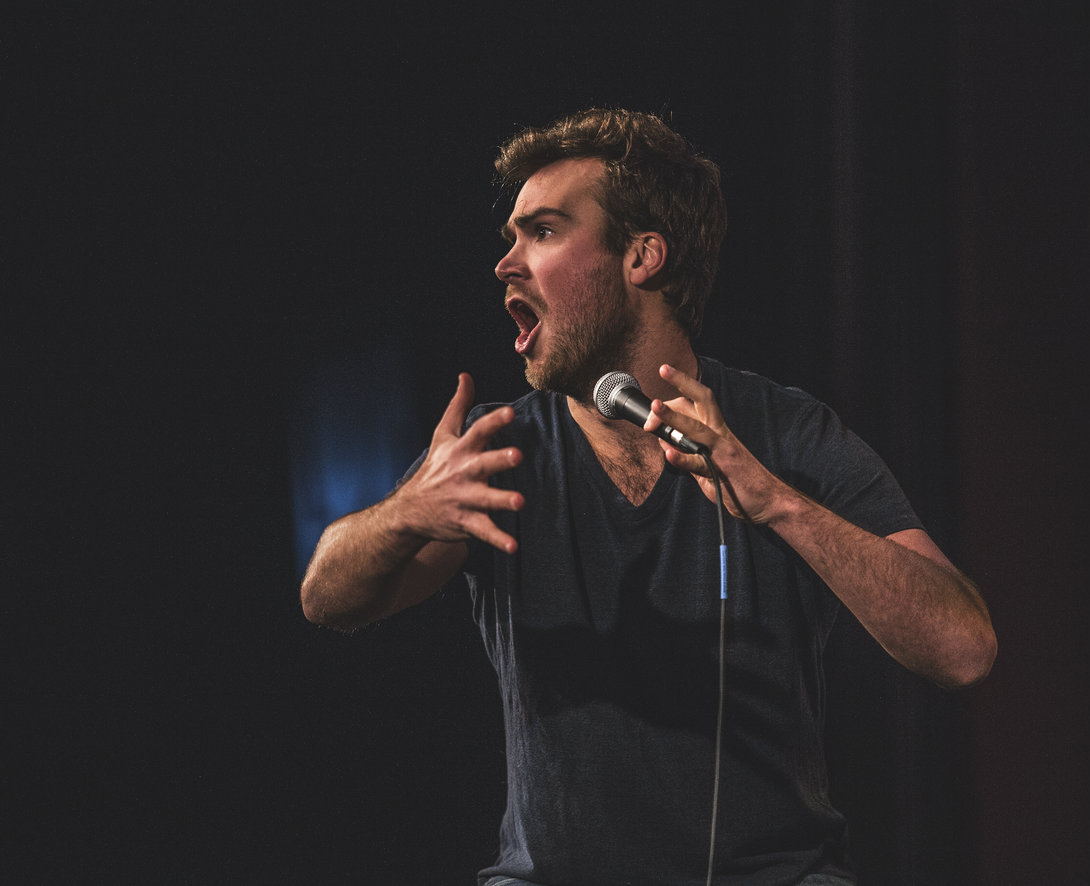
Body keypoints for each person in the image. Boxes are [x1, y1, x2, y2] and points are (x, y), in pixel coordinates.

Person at [300, 108, 997, 886]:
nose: (505, 265)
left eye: (542, 232)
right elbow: (324, 596)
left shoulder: (786, 434)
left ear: (642, 256)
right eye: (511, 237)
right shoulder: (494, 452)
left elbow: (962, 648)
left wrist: (778, 505)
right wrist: (405, 512)